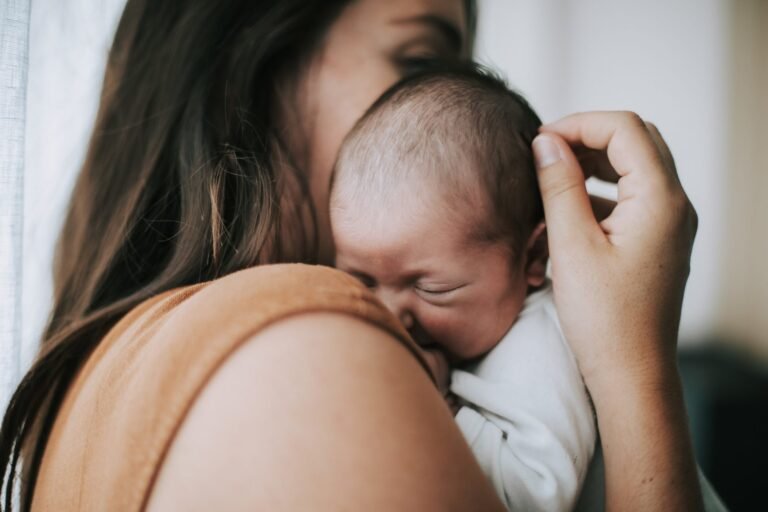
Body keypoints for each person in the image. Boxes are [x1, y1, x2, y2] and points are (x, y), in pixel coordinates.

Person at [0, 1, 706, 511]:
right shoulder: (310, 357)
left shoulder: (103, 369)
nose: (435, 109)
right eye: (421, 61)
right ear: (257, 52)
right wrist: (636, 372)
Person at [330, 66, 596, 511]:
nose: (389, 314)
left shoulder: (538, 347)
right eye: (363, 280)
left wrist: (436, 404)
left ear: (533, 257)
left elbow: (533, 496)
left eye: (431, 288)